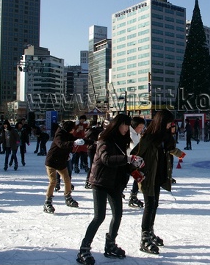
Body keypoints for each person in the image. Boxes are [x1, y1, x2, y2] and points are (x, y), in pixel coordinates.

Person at [77, 114, 142, 264]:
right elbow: (106, 159)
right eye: (124, 125)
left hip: (114, 183)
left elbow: (123, 165)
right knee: (99, 217)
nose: (126, 129)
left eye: (128, 126)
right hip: (100, 181)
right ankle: (84, 249)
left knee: (118, 215)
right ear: (116, 125)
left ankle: (110, 244)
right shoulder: (103, 140)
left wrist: (135, 171)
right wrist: (127, 159)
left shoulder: (123, 142)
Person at [130, 109, 185, 254]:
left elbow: (170, 149)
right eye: (168, 122)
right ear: (161, 123)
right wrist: (138, 175)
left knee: (154, 204)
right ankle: (144, 237)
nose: (170, 125)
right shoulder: (149, 138)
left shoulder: (164, 137)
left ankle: (150, 232)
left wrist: (180, 154)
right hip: (148, 177)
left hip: (159, 177)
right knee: (149, 206)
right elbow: (134, 155)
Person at [43, 120, 85, 213]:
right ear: (69, 129)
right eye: (73, 128)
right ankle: (47, 202)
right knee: (53, 181)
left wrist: (92, 142)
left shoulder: (68, 135)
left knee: (67, 179)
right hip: (52, 162)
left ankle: (68, 197)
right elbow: (61, 144)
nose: (74, 130)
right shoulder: (59, 135)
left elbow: (75, 139)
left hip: (61, 162)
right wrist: (74, 143)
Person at [128, 116, 145, 207]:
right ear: (135, 126)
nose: (141, 129)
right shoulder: (131, 134)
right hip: (128, 161)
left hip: (134, 160)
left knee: (138, 176)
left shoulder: (136, 133)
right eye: (140, 127)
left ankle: (133, 196)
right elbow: (134, 148)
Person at [84, 120, 103, 189]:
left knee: (94, 165)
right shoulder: (95, 130)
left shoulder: (90, 130)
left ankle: (90, 180)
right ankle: (89, 180)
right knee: (94, 165)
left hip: (92, 149)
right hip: (94, 149)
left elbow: (85, 136)